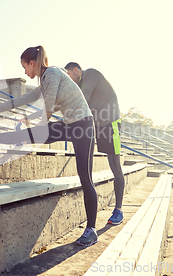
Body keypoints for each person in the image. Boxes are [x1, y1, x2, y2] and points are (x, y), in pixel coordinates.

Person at [0, 46, 98, 246]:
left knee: (85, 177)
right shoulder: (46, 81)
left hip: (83, 126)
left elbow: (48, 108)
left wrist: (36, 133)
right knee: (28, 134)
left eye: (24, 67)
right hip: (69, 124)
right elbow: (22, 100)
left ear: (32, 63)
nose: (25, 72)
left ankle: (91, 230)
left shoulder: (52, 74)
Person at [65, 62, 124, 225]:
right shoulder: (80, 84)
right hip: (98, 126)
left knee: (115, 166)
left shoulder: (91, 75)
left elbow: (82, 98)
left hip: (111, 123)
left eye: (69, 75)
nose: (69, 80)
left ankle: (118, 209)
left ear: (76, 70)